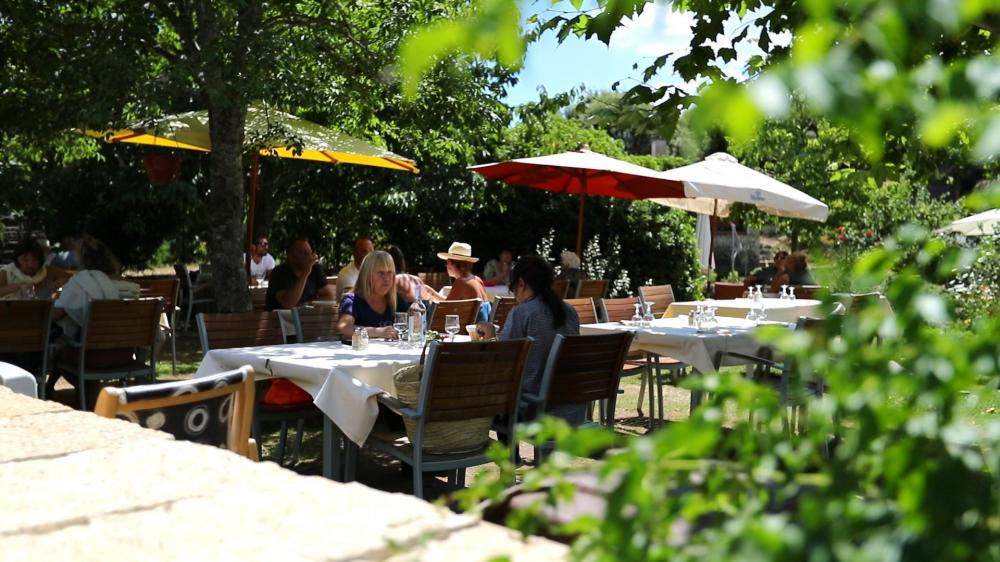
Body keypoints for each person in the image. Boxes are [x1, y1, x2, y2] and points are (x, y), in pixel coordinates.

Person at [500, 255, 582, 424]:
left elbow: (503, 360)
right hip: (574, 408)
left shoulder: (522, 313)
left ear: (521, 283)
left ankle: (512, 452)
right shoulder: (570, 311)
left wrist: (488, 336)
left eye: (513, 287)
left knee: (494, 404)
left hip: (538, 409)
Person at [50, 236, 141, 341]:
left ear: (82, 261)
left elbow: (56, 315)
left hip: (89, 350)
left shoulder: (82, 282)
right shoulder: (130, 288)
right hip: (125, 348)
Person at [336, 251, 401, 340]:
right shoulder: (353, 300)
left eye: (390, 272)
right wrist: (378, 332)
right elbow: (343, 328)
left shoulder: (396, 300)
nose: (387, 278)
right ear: (367, 275)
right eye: (381, 273)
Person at [266, 239, 335, 310]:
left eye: (309, 252)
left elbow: (327, 295)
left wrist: (310, 305)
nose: (308, 256)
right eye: (303, 253)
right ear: (290, 255)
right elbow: (287, 303)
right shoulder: (279, 272)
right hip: (279, 318)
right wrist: (305, 273)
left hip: (308, 316)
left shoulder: (315, 269)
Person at [0, 238, 70, 300]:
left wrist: (58, 289)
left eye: (35, 260)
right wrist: (17, 286)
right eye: (25, 260)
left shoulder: (49, 272)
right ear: (17, 260)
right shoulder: (6, 273)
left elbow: (72, 282)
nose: (30, 264)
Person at [438, 241, 491, 321]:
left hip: (470, 331)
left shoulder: (461, 282)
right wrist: (432, 293)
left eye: (447, 262)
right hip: (483, 329)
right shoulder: (477, 279)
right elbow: (450, 302)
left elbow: (445, 308)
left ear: (450, 263)